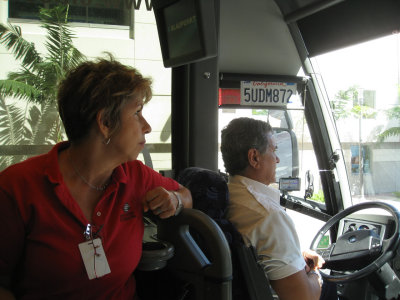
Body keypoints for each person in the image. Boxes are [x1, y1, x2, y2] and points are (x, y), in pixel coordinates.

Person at [0, 57, 192, 299]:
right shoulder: (17, 187)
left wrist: (173, 200)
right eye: (137, 113)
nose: (147, 127)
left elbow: (186, 195)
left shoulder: (135, 175)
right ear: (105, 122)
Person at [221, 117, 329, 300]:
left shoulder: (227, 195)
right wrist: (316, 273)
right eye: (273, 150)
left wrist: (298, 256)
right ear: (254, 157)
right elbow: (303, 297)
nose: (277, 159)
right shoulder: (269, 216)